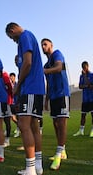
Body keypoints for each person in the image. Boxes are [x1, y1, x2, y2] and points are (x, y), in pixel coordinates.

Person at [6, 22, 45, 175]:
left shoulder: (24, 36)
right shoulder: (28, 37)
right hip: (36, 89)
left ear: (13, 30)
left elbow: (27, 63)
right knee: (34, 126)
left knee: (24, 125)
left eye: (11, 37)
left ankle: (30, 169)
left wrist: (18, 85)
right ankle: (38, 166)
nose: (13, 40)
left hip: (30, 88)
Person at [41, 38, 70, 170]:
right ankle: (62, 151)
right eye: (42, 45)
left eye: (45, 44)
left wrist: (45, 72)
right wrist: (46, 99)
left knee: (62, 122)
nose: (43, 46)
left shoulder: (57, 54)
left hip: (62, 93)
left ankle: (58, 155)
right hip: (53, 96)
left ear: (51, 45)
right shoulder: (46, 65)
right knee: (55, 123)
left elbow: (58, 67)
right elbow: (48, 83)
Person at [74, 61, 93, 137]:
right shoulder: (81, 76)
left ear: (88, 66)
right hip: (85, 99)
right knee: (83, 115)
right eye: (83, 67)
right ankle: (81, 131)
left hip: (91, 99)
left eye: (85, 67)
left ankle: (92, 131)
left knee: (92, 115)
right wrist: (86, 85)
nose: (84, 69)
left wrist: (85, 78)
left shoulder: (91, 75)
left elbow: (91, 86)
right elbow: (80, 86)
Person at [2, 71, 14, 147]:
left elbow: (10, 89)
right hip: (1, 102)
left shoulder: (4, 75)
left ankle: (7, 140)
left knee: (8, 121)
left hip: (8, 103)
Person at [10, 72, 21, 138]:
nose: (11, 78)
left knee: (18, 118)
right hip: (11, 103)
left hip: (17, 103)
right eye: (10, 77)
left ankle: (18, 130)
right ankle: (19, 127)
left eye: (12, 77)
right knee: (13, 118)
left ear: (14, 77)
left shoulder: (17, 84)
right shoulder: (9, 85)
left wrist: (19, 102)